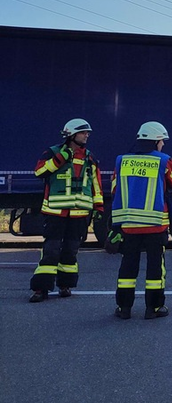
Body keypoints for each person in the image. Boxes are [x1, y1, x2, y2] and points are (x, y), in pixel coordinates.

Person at [109, 121, 172, 320]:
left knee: (127, 267)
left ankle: (124, 309)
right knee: (155, 269)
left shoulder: (121, 161)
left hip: (129, 226)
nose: (163, 145)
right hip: (155, 226)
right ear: (155, 141)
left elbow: (114, 188)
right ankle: (154, 309)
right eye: (162, 141)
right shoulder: (163, 160)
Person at [29, 118, 104, 303]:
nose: (87, 135)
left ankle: (65, 285)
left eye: (87, 132)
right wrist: (60, 159)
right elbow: (40, 172)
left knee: (71, 251)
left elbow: (96, 184)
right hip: (55, 212)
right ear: (71, 134)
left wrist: (99, 207)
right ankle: (41, 288)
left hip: (79, 214)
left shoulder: (90, 157)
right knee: (51, 250)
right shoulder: (53, 153)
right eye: (83, 132)